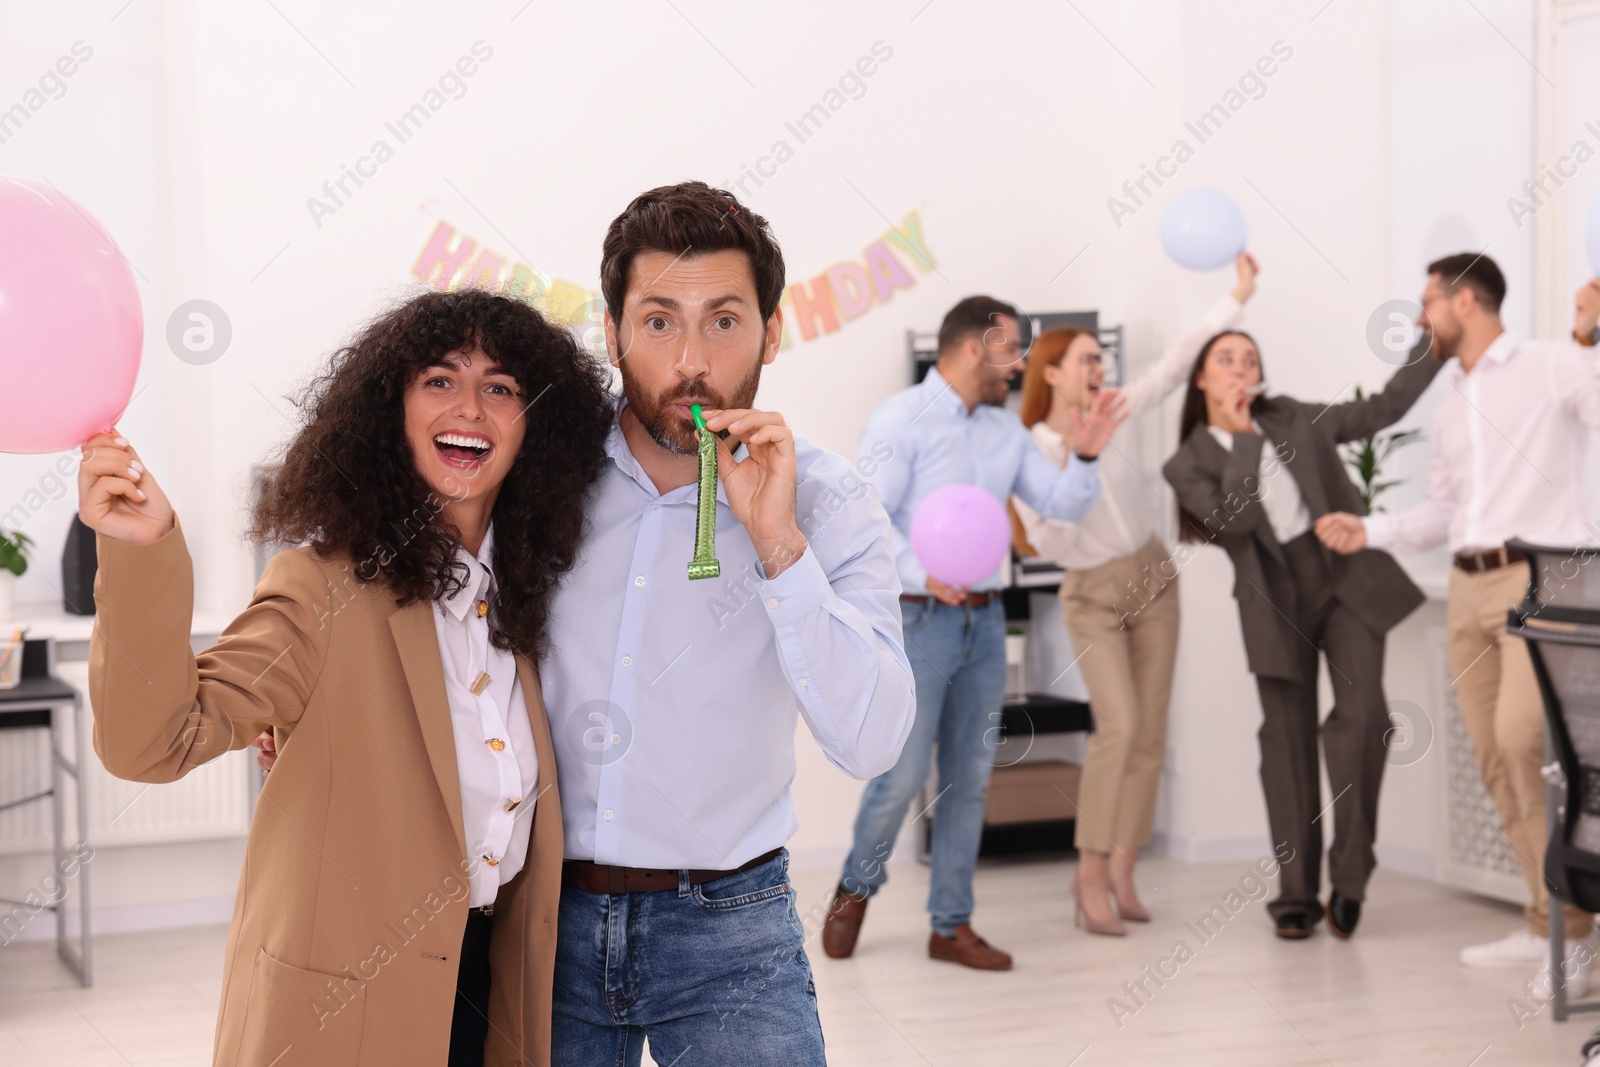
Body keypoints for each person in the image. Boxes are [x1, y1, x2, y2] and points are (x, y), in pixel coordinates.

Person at [81, 290, 615, 1067]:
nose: (470, 406)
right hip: (345, 1014)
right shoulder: (317, 588)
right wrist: (142, 549)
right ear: (387, 413)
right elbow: (153, 744)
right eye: (439, 379)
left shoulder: (529, 601)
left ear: (532, 427)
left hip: (489, 998)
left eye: (500, 387)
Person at [531, 182, 915, 1066]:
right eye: (659, 320)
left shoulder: (831, 500)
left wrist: (780, 546)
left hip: (731, 929)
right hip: (541, 920)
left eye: (725, 320)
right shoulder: (541, 481)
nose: (691, 359)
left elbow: (873, 740)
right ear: (615, 329)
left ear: (772, 332)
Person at [820, 294, 1129, 970]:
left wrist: (1084, 457)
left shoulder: (1004, 432)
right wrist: (921, 571)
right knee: (900, 779)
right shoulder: (898, 421)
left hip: (986, 620)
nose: (1018, 363)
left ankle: (950, 924)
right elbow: (862, 521)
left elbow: (1061, 503)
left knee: (970, 779)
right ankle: (855, 887)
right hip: (918, 619)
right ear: (970, 348)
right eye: (1011, 349)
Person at [1317, 259, 1600, 994]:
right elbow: (1443, 510)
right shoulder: (1453, 402)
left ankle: (1574, 935)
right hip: (1469, 588)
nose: (1420, 318)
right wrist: (1370, 529)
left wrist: (1590, 336)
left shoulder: (1547, 363)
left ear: (1464, 299)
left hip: (1541, 577)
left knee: (1522, 740)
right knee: (1491, 755)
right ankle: (1546, 920)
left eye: (1427, 302)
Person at [1161, 320, 1445, 940]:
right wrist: (1239, 438)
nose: (1240, 367)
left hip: (1343, 583)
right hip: (1273, 600)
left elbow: (1380, 411)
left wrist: (1431, 347)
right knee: (1286, 746)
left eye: (1249, 357)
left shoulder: (1295, 418)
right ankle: (1295, 897)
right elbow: (1231, 523)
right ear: (1202, 377)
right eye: (1226, 358)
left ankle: (1351, 875)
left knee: (1364, 719)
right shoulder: (1185, 463)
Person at [1011, 252, 1258, 935]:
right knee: (1116, 728)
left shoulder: (1118, 409)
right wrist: (1078, 460)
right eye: (1085, 360)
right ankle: (1087, 873)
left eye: (1101, 358)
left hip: (1154, 577)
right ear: (1052, 371)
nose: (1099, 369)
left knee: (1148, 733)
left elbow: (1179, 361)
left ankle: (1123, 863)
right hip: (1090, 592)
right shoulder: (1031, 450)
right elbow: (1049, 541)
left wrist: (1234, 297)